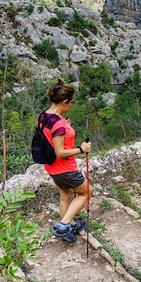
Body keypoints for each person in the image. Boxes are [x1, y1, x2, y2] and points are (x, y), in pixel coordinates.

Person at [38, 78, 93, 243]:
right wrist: (82, 149)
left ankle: (66, 228)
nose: (71, 106)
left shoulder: (44, 116)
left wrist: (63, 125)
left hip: (52, 168)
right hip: (65, 168)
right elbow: (60, 151)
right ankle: (63, 225)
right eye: (72, 103)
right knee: (86, 192)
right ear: (65, 102)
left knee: (65, 194)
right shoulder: (59, 125)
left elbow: (49, 133)